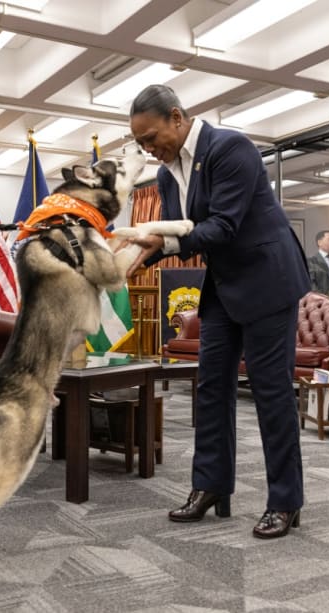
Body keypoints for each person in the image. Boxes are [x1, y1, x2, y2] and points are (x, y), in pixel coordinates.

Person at [126, 84, 310, 539]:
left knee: (271, 393)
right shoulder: (167, 176)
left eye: (151, 138)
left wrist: (162, 242)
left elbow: (222, 225)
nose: (149, 150)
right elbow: (176, 236)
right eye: (141, 144)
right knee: (211, 389)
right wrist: (131, 259)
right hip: (224, 286)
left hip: (267, 279)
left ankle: (285, 500)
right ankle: (210, 487)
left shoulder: (230, 147)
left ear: (176, 116)